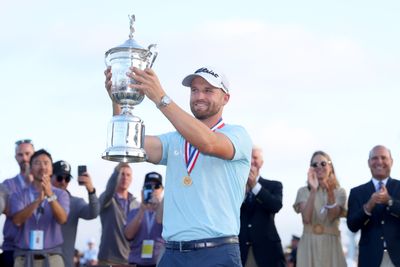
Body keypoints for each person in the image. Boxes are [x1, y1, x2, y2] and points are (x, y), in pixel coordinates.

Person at [104, 65, 252, 267]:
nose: (199, 96)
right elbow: (128, 142)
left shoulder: (237, 135)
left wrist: (161, 98)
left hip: (216, 253)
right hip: (172, 254)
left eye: (208, 90)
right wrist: (119, 100)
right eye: (194, 90)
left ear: (226, 98)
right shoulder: (174, 140)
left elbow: (209, 143)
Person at [9, 149, 70, 267]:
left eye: (46, 163)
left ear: (52, 169)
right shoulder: (19, 194)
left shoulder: (61, 194)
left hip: (52, 258)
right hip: (24, 258)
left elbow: (62, 219)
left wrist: (50, 194)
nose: (42, 167)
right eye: (37, 163)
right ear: (31, 169)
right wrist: (38, 201)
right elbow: (17, 220)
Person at [347, 145, 400, 267]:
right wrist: (368, 207)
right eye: (375, 158)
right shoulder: (357, 192)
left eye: (383, 157)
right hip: (370, 259)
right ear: (369, 163)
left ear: (391, 161)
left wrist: (390, 201)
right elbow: (352, 226)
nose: (379, 161)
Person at [293, 150, 347, 267]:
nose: (319, 167)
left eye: (323, 163)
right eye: (314, 165)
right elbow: (306, 219)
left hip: (331, 245)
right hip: (309, 245)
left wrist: (330, 192)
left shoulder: (340, 192)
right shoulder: (303, 191)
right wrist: (313, 190)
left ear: (330, 167)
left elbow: (332, 216)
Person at [239, 147, 286, 267]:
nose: (251, 161)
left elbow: (275, 205)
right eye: (248, 157)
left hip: (267, 253)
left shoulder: (274, 185)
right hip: (241, 252)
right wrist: (244, 191)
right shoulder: (236, 188)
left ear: (261, 162)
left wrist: (254, 185)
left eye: (255, 157)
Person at [50, 160, 100, 267]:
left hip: (65, 262)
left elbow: (94, 213)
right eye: (59, 178)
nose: (63, 182)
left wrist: (91, 190)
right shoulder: (40, 200)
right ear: (50, 177)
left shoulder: (75, 202)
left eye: (67, 179)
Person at [0, 139, 35, 267]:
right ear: (15, 157)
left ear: (34, 154)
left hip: (39, 250)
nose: (24, 158)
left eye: (28, 154)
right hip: (12, 250)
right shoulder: (7, 184)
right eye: (20, 155)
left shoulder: (44, 184)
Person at [97, 163, 140, 265]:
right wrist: (117, 170)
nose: (125, 177)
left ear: (132, 179)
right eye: (122, 174)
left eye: (128, 175)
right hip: (108, 258)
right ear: (116, 176)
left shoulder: (137, 204)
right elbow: (109, 190)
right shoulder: (107, 199)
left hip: (130, 259)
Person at [124, 171, 164, 267]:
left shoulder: (167, 213)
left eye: (157, 186)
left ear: (162, 189)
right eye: (149, 187)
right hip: (137, 263)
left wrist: (160, 207)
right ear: (143, 190)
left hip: (160, 263)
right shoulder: (135, 212)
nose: (153, 190)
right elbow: (128, 235)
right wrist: (142, 209)